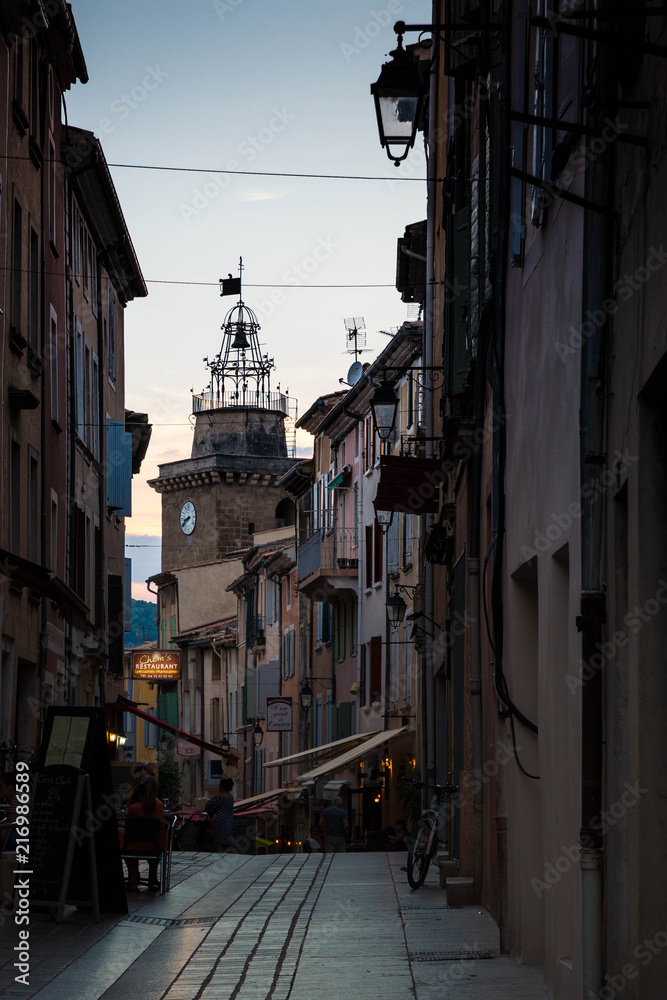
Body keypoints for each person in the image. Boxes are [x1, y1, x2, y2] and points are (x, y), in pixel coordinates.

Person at [123, 776, 165, 890]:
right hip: (155, 846)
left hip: (133, 846)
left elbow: (130, 828)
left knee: (125, 842)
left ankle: (132, 878)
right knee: (154, 841)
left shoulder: (133, 808)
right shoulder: (159, 806)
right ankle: (153, 876)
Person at [205, 777, 235, 852]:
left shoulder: (219, 797)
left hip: (220, 822)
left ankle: (220, 856)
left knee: (220, 843)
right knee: (227, 842)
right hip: (230, 821)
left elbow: (208, 806)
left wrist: (212, 815)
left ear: (222, 787)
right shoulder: (231, 797)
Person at [0, 772, 18, 851]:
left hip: (18, 837)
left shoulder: (17, 798)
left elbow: (11, 821)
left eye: (0, 787)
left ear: (10, 787)